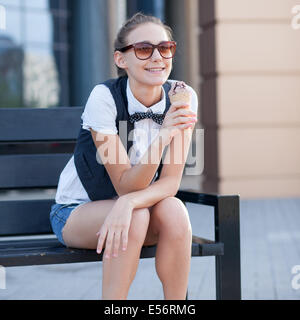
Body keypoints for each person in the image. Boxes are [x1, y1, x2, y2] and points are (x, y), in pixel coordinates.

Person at [49, 12, 198, 300]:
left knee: (174, 209)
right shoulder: (103, 98)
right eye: (144, 49)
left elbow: (169, 184)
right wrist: (164, 134)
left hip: (133, 209)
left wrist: (127, 203)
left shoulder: (183, 96)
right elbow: (125, 186)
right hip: (76, 213)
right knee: (137, 215)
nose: (157, 57)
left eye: (165, 48)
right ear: (121, 60)